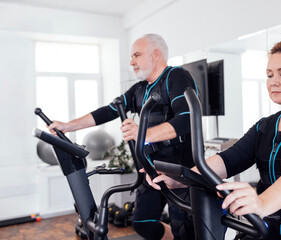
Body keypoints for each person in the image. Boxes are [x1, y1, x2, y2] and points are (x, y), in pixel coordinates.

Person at [148, 37, 281, 240]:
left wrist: (262, 201)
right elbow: (227, 159)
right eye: (269, 75)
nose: (273, 82)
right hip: (276, 228)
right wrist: (182, 177)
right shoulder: (264, 126)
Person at [48, 34, 198, 240]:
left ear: (155, 54)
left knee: (186, 230)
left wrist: (144, 133)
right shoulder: (141, 88)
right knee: (142, 223)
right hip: (151, 169)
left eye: (136, 55)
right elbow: (108, 111)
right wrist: (68, 126)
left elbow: (187, 118)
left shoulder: (177, 77)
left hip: (179, 171)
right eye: (131, 56)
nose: (131, 62)